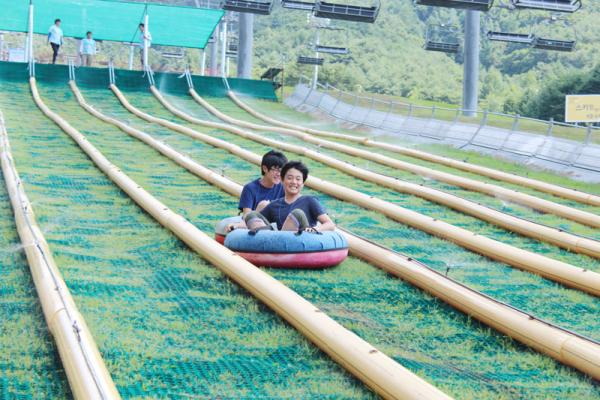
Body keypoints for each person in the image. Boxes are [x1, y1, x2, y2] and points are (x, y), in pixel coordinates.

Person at [243, 161, 336, 233]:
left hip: (302, 239)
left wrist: (315, 229)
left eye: (298, 179)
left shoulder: (309, 201)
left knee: (297, 214)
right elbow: (254, 219)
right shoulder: (275, 205)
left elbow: (330, 224)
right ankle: (268, 240)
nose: (294, 182)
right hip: (278, 242)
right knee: (251, 215)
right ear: (282, 180)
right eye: (290, 178)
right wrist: (237, 226)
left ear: (303, 183)